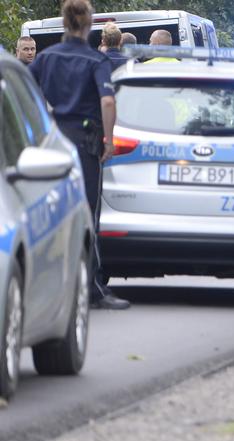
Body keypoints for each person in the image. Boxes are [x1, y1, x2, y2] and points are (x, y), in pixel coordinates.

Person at [30, 0, 129, 310]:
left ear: (64, 23)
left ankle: (46, 287)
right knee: (86, 215)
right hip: (85, 145)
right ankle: (92, 288)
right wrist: (109, 141)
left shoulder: (46, 57)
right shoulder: (94, 60)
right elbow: (108, 103)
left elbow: (27, 94)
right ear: (89, 25)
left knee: (52, 216)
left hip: (54, 142)